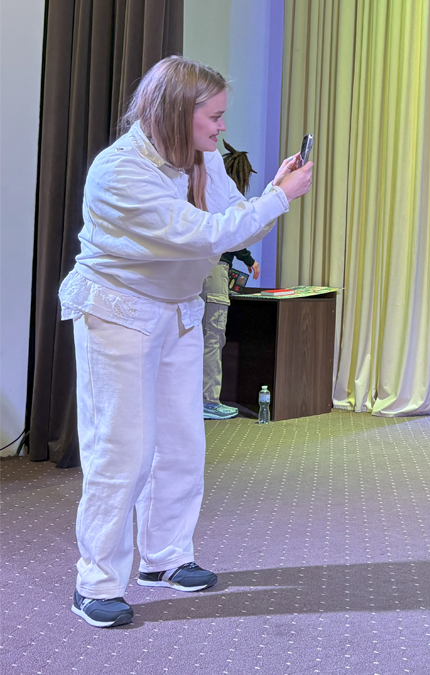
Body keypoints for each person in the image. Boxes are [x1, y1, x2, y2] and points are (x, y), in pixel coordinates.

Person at [59, 56, 313, 628]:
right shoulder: (119, 171)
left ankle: (165, 559)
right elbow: (201, 235)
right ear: (178, 113)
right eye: (214, 117)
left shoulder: (201, 157)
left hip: (177, 311)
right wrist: (279, 198)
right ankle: (95, 583)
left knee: (181, 444)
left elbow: (234, 225)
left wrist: (274, 192)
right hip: (118, 312)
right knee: (121, 451)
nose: (222, 127)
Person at [201, 249, 258, 420]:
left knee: (191, 336)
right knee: (212, 338)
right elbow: (233, 238)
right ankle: (208, 402)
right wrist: (249, 260)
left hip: (188, 267)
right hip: (214, 267)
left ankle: (189, 400)